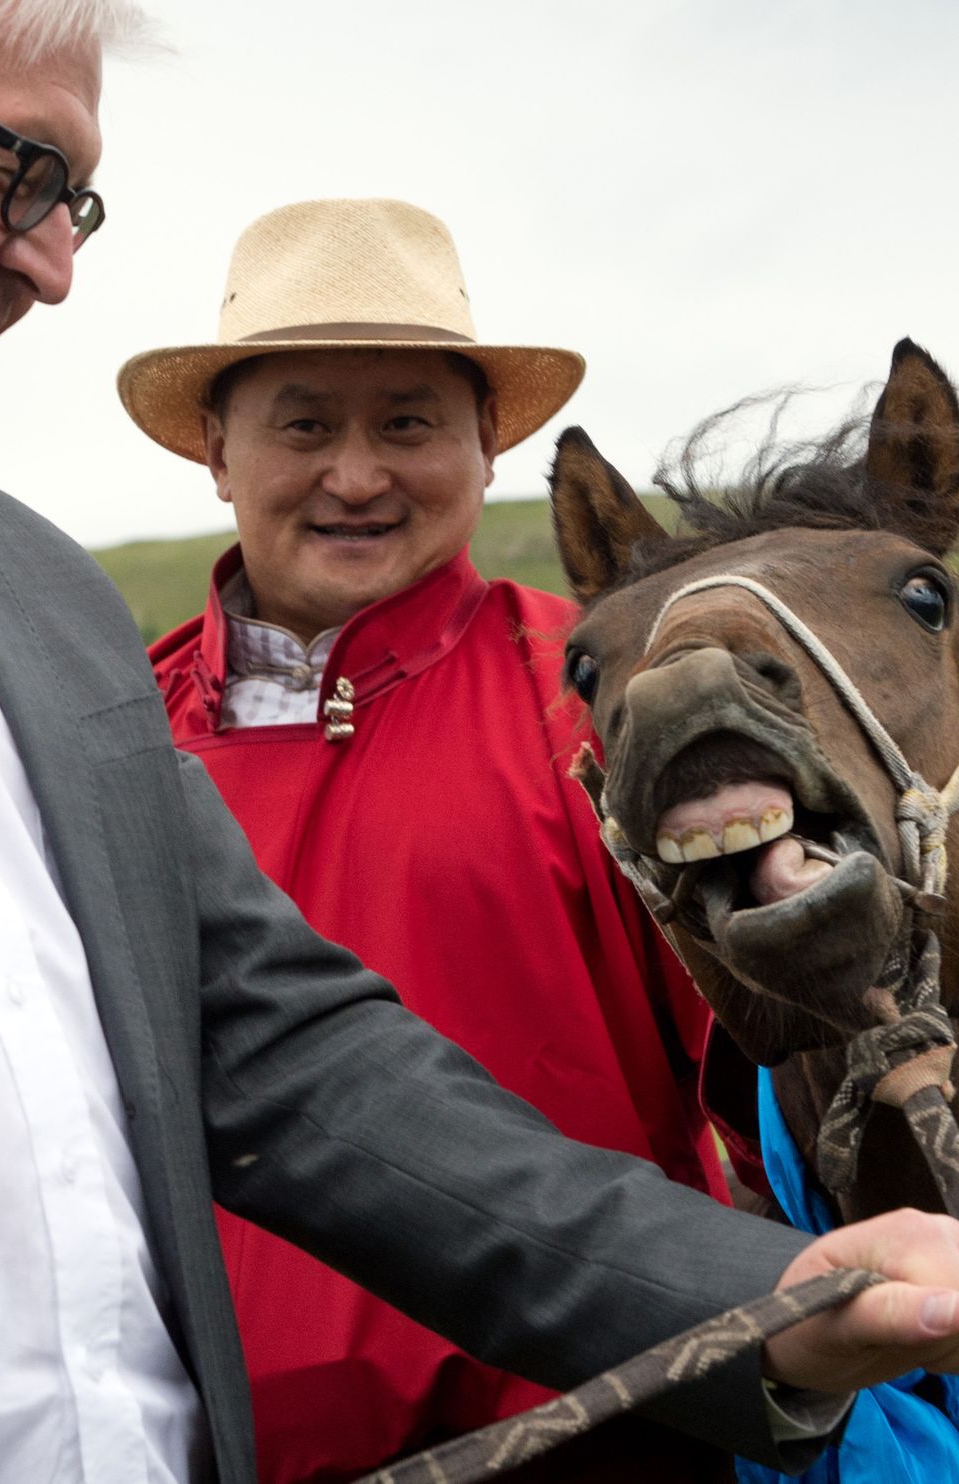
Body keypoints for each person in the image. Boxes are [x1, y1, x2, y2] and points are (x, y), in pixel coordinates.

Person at [0, 7, 959, 1484]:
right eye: (21, 174)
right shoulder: (129, 661)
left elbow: (287, 1059)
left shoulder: (25, 602)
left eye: (75, 204)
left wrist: (755, 1305)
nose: (56, 266)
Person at [127, 198, 734, 1482]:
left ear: (487, 444)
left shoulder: (599, 699)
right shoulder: (105, 732)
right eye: (303, 424)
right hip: (181, 1449)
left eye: (407, 422)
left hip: (583, 1436)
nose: (356, 475)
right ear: (216, 451)